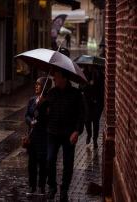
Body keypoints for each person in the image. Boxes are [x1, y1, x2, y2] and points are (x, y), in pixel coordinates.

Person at [45, 70, 85, 202]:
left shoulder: (76, 94)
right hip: (52, 132)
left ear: (64, 78)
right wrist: (40, 106)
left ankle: (64, 189)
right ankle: (52, 186)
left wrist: (77, 131)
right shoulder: (51, 93)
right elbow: (40, 114)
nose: (54, 79)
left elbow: (81, 114)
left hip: (68, 134)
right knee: (50, 159)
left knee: (68, 163)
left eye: (56, 76)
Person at [25, 77, 52, 195]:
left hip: (44, 136)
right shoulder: (32, 100)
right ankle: (32, 186)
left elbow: (47, 119)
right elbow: (27, 115)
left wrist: (41, 105)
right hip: (32, 136)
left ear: (45, 87)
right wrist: (30, 121)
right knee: (32, 163)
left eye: (38, 85)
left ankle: (41, 186)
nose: (36, 86)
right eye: (35, 84)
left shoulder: (48, 102)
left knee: (42, 163)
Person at [82, 65, 104, 148]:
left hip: (97, 102)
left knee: (95, 121)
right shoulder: (84, 73)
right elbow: (81, 87)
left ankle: (95, 140)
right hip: (87, 102)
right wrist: (88, 84)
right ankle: (89, 134)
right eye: (89, 66)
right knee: (87, 120)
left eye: (92, 66)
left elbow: (102, 88)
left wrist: (95, 85)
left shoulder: (99, 74)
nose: (90, 67)